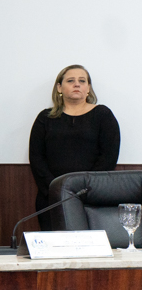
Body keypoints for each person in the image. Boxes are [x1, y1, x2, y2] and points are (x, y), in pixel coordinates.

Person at [28, 64, 120, 230]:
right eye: (70, 80)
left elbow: (108, 156)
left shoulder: (103, 115)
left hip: (91, 199)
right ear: (59, 88)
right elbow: (36, 158)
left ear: (88, 88)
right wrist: (55, 190)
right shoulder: (45, 118)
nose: (77, 84)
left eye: (82, 81)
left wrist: (86, 190)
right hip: (51, 197)